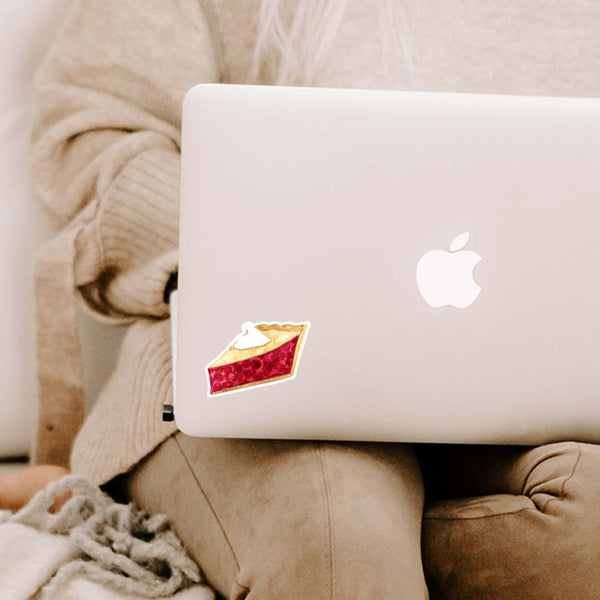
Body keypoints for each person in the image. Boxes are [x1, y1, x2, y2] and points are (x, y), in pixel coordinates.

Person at [23, 1, 600, 598]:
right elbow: (90, 129)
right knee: (336, 524)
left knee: (589, 531)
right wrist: (249, 252)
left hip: (545, 393)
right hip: (266, 352)